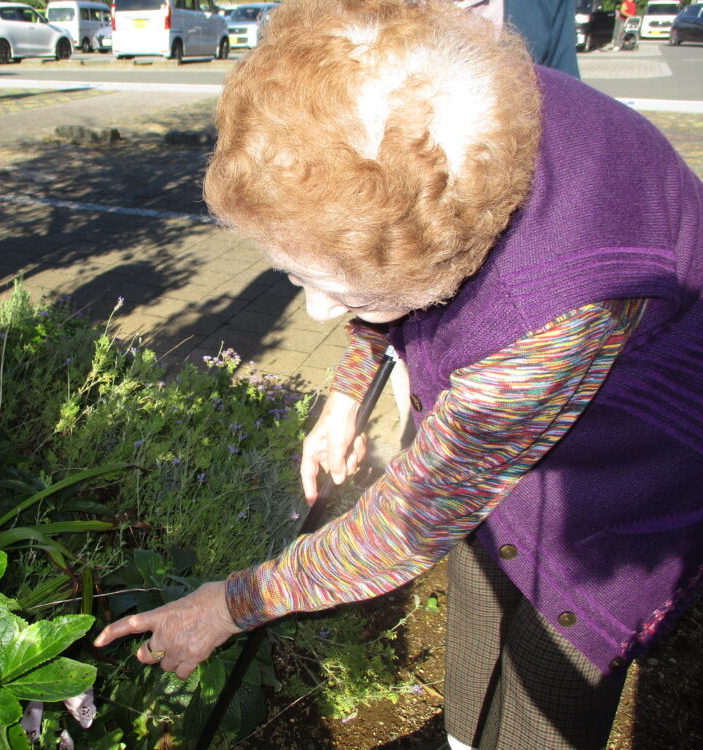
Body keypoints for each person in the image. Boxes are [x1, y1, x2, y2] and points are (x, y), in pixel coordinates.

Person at [94, 1, 703, 748]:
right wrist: (347, 392)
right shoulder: (448, 113)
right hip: (506, 399)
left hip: (627, 455)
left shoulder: (553, 313)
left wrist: (233, 603)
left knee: (551, 663)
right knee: (482, 580)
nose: (319, 310)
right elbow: (375, 243)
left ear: (441, 258)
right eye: (293, 275)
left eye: (336, 289)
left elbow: (412, 521)